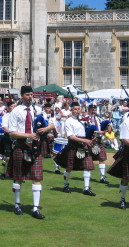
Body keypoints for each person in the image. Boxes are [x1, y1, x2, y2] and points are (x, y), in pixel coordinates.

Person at [7, 85, 55, 219]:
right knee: (18, 177)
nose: (30, 97)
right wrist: (28, 135)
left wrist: (45, 130)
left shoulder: (38, 110)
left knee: (37, 177)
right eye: (27, 95)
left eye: (31, 94)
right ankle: (17, 204)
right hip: (21, 146)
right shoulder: (16, 111)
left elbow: (52, 124)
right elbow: (12, 132)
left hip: (35, 147)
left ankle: (35, 208)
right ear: (22, 96)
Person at [54, 102, 96, 196]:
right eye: (75, 109)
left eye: (79, 109)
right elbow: (71, 137)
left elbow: (87, 133)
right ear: (71, 110)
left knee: (87, 167)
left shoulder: (82, 120)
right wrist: (85, 141)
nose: (78, 111)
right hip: (73, 146)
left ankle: (86, 188)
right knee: (69, 167)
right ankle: (65, 185)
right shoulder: (69, 121)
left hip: (83, 145)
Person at [87, 104, 110, 183]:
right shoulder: (87, 119)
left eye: (95, 110)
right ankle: (87, 178)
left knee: (102, 158)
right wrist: (102, 132)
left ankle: (102, 177)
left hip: (99, 140)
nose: (94, 111)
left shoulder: (98, 118)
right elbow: (91, 130)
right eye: (92, 110)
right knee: (88, 159)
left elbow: (102, 127)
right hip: (90, 140)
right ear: (89, 110)